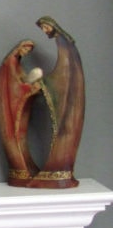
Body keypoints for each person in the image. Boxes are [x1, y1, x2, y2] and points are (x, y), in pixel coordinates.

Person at [28, 16, 84, 188]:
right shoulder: (66, 44)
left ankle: (60, 169)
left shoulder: (64, 44)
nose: (45, 32)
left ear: (52, 26)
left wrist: (46, 81)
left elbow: (64, 74)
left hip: (67, 97)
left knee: (64, 128)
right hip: (68, 95)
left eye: (45, 28)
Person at [0, 39, 42, 186]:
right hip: (10, 108)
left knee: (21, 134)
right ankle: (20, 168)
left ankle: (26, 167)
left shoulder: (17, 65)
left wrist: (30, 86)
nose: (26, 52)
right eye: (25, 49)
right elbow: (13, 87)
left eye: (28, 51)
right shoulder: (9, 65)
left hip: (18, 108)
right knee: (14, 135)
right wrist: (28, 88)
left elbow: (20, 80)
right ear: (20, 48)